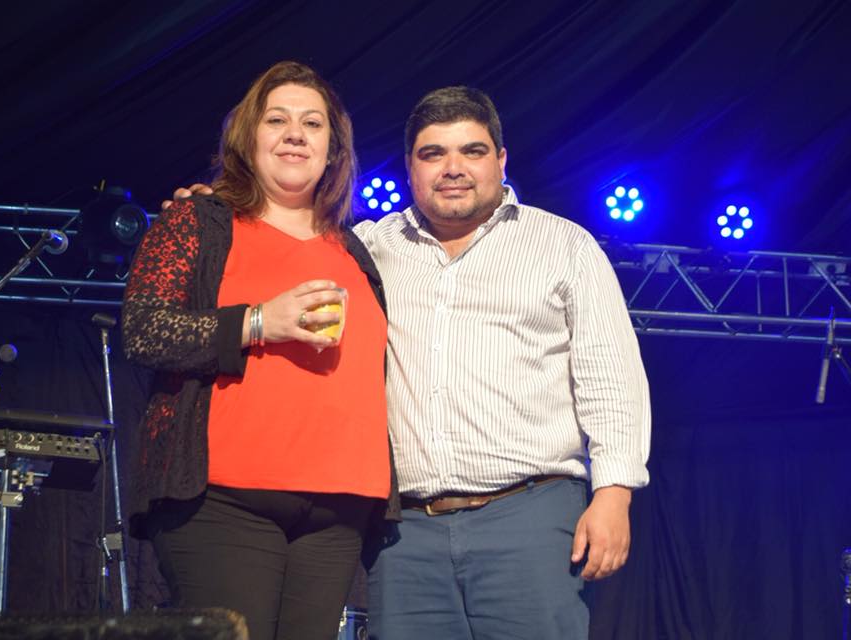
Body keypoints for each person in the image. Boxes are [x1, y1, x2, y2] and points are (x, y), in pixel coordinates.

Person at [169, 85, 650, 640]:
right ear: (409, 167)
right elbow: (280, 237)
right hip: (405, 534)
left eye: (472, 151)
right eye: (432, 153)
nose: (453, 168)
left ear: (501, 159)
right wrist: (220, 208)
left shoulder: (563, 246)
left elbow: (611, 378)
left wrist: (614, 493)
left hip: (529, 515)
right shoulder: (365, 247)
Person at [122, 60, 397, 640]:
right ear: (248, 138)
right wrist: (258, 322)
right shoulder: (199, 221)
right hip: (224, 501)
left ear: (334, 150)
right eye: (277, 120)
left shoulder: (357, 248)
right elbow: (144, 331)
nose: (295, 134)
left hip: (340, 507)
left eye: (312, 123)